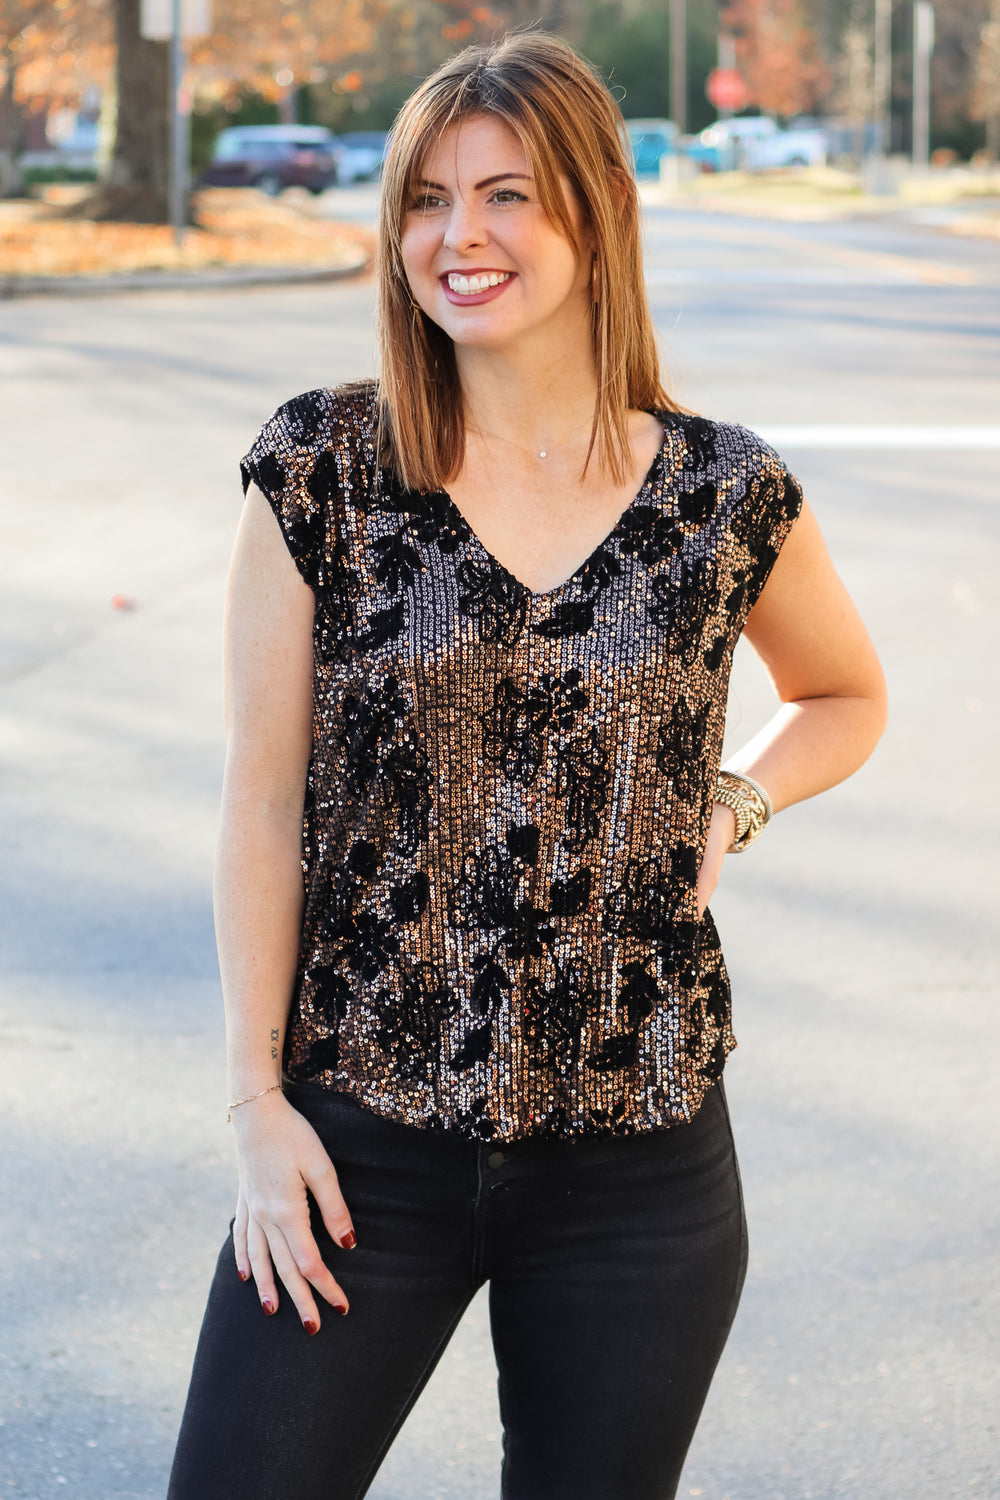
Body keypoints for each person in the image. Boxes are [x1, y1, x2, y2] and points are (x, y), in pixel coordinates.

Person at [167, 32, 887, 1500]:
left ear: (595, 213)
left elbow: (845, 694)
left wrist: (738, 800)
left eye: (507, 195)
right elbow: (260, 801)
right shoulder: (324, 474)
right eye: (426, 199)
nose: (460, 237)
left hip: (642, 1165)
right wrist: (257, 1107)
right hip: (361, 1141)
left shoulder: (721, 491)